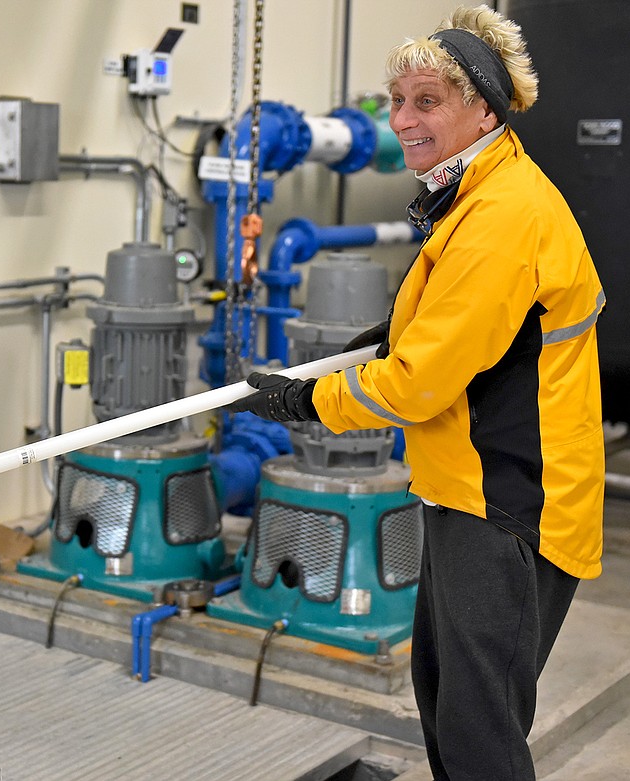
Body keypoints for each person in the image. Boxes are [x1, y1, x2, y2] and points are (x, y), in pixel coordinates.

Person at [228, 5, 605, 779]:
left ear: (484, 109)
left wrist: (306, 402)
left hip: (510, 501)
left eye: (426, 100)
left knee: (480, 730)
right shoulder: (475, 194)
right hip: (467, 489)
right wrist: (385, 334)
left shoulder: (502, 215)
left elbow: (417, 386)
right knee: (444, 700)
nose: (402, 119)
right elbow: (456, 329)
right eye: (396, 101)